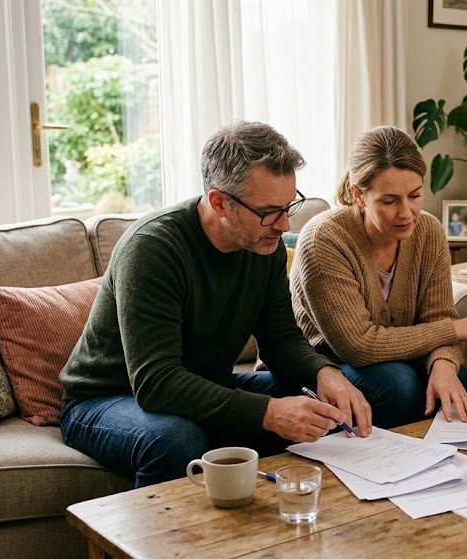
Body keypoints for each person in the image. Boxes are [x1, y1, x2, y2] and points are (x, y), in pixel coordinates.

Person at [59, 121, 371, 488]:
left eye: (289, 206)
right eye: (270, 211)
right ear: (219, 202)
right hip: (106, 399)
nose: (284, 224)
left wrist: (325, 374)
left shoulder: (262, 244)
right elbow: (155, 383)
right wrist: (268, 413)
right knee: (176, 439)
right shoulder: (153, 249)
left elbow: (281, 338)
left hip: (204, 385)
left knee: (357, 392)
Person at [290, 125, 467, 428]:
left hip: (393, 356)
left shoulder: (428, 231)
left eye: (414, 195)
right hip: (326, 363)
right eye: (389, 201)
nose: (407, 212)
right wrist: (458, 329)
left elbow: (437, 317)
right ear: (358, 195)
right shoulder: (324, 239)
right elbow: (359, 346)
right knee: (399, 385)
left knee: (457, 381)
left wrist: (442, 364)